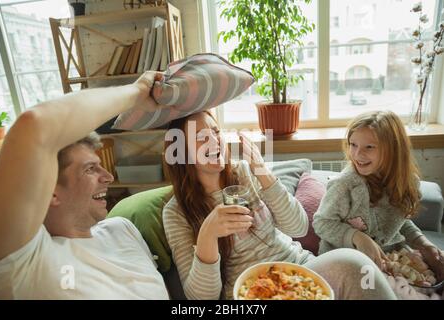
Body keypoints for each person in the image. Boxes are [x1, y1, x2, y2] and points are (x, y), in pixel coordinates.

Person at [162, 111, 397, 300]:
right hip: (252, 290)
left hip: (300, 269)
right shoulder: (175, 212)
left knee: (356, 265)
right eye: (201, 137)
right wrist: (208, 235)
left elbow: (299, 227)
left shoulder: (244, 173)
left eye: (215, 132)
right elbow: (201, 298)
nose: (214, 142)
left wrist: (262, 171)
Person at [0, 72, 170, 299]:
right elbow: (35, 125)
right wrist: (137, 92)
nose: (108, 176)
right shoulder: (26, 263)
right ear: (51, 192)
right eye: (90, 169)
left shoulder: (121, 229)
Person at [313, 111, 444, 299]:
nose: (358, 154)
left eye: (369, 147)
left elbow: (399, 222)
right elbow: (321, 223)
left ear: (393, 149)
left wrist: (423, 243)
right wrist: (357, 237)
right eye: (353, 145)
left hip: (393, 259)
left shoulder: (408, 183)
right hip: (348, 261)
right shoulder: (344, 185)